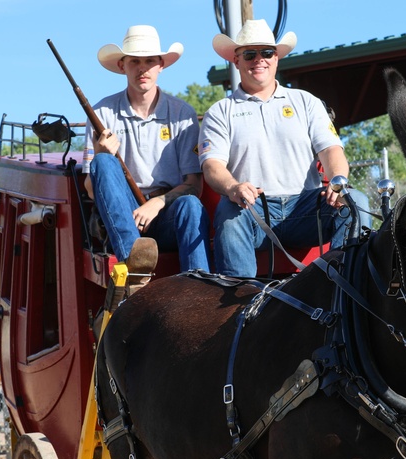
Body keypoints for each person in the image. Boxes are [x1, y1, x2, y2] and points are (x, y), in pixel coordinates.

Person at [201, 19, 365, 277]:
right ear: (237, 61)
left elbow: (332, 150)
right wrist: (233, 188)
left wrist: (338, 182)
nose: (259, 60)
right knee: (229, 212)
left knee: (356, 201)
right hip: (253, 210)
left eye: (267, 53)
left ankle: (343, 287)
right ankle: (239, 306)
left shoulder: (306, 101)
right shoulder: (220, 111)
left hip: (306, 208)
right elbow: (212, 166)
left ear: (276, 58)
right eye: (249, 54)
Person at [85, 25, 211, 272]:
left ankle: (199, 284)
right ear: (122, 66)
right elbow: (90, 189)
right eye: (135, 61)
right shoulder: (101, 113)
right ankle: (134, 264)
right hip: (121, 216)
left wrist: (157, 203)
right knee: (101, 163)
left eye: (149, 60)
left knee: (191, 206)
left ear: (161, 65)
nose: (142, 68)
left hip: (166, 214)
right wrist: (101, 154)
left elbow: (194, 186)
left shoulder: (182, 114)